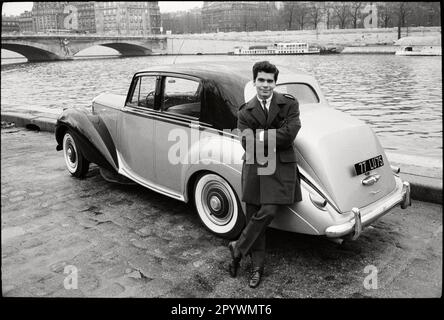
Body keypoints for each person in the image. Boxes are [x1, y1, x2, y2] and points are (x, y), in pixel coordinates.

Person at [229, 61, 302, 288]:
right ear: (254, 82)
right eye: (261, 80)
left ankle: (237, 248)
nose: (265, 85)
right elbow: (246, 143)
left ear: (275, 83)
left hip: (280, 167)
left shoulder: (289, 104)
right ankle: (257, 268)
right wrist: (270, 136)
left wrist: (259, 137)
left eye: (270, 81)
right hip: (254, 167)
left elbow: (290, 134)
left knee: (268, 209)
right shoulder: (245, 110)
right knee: (253, 216)